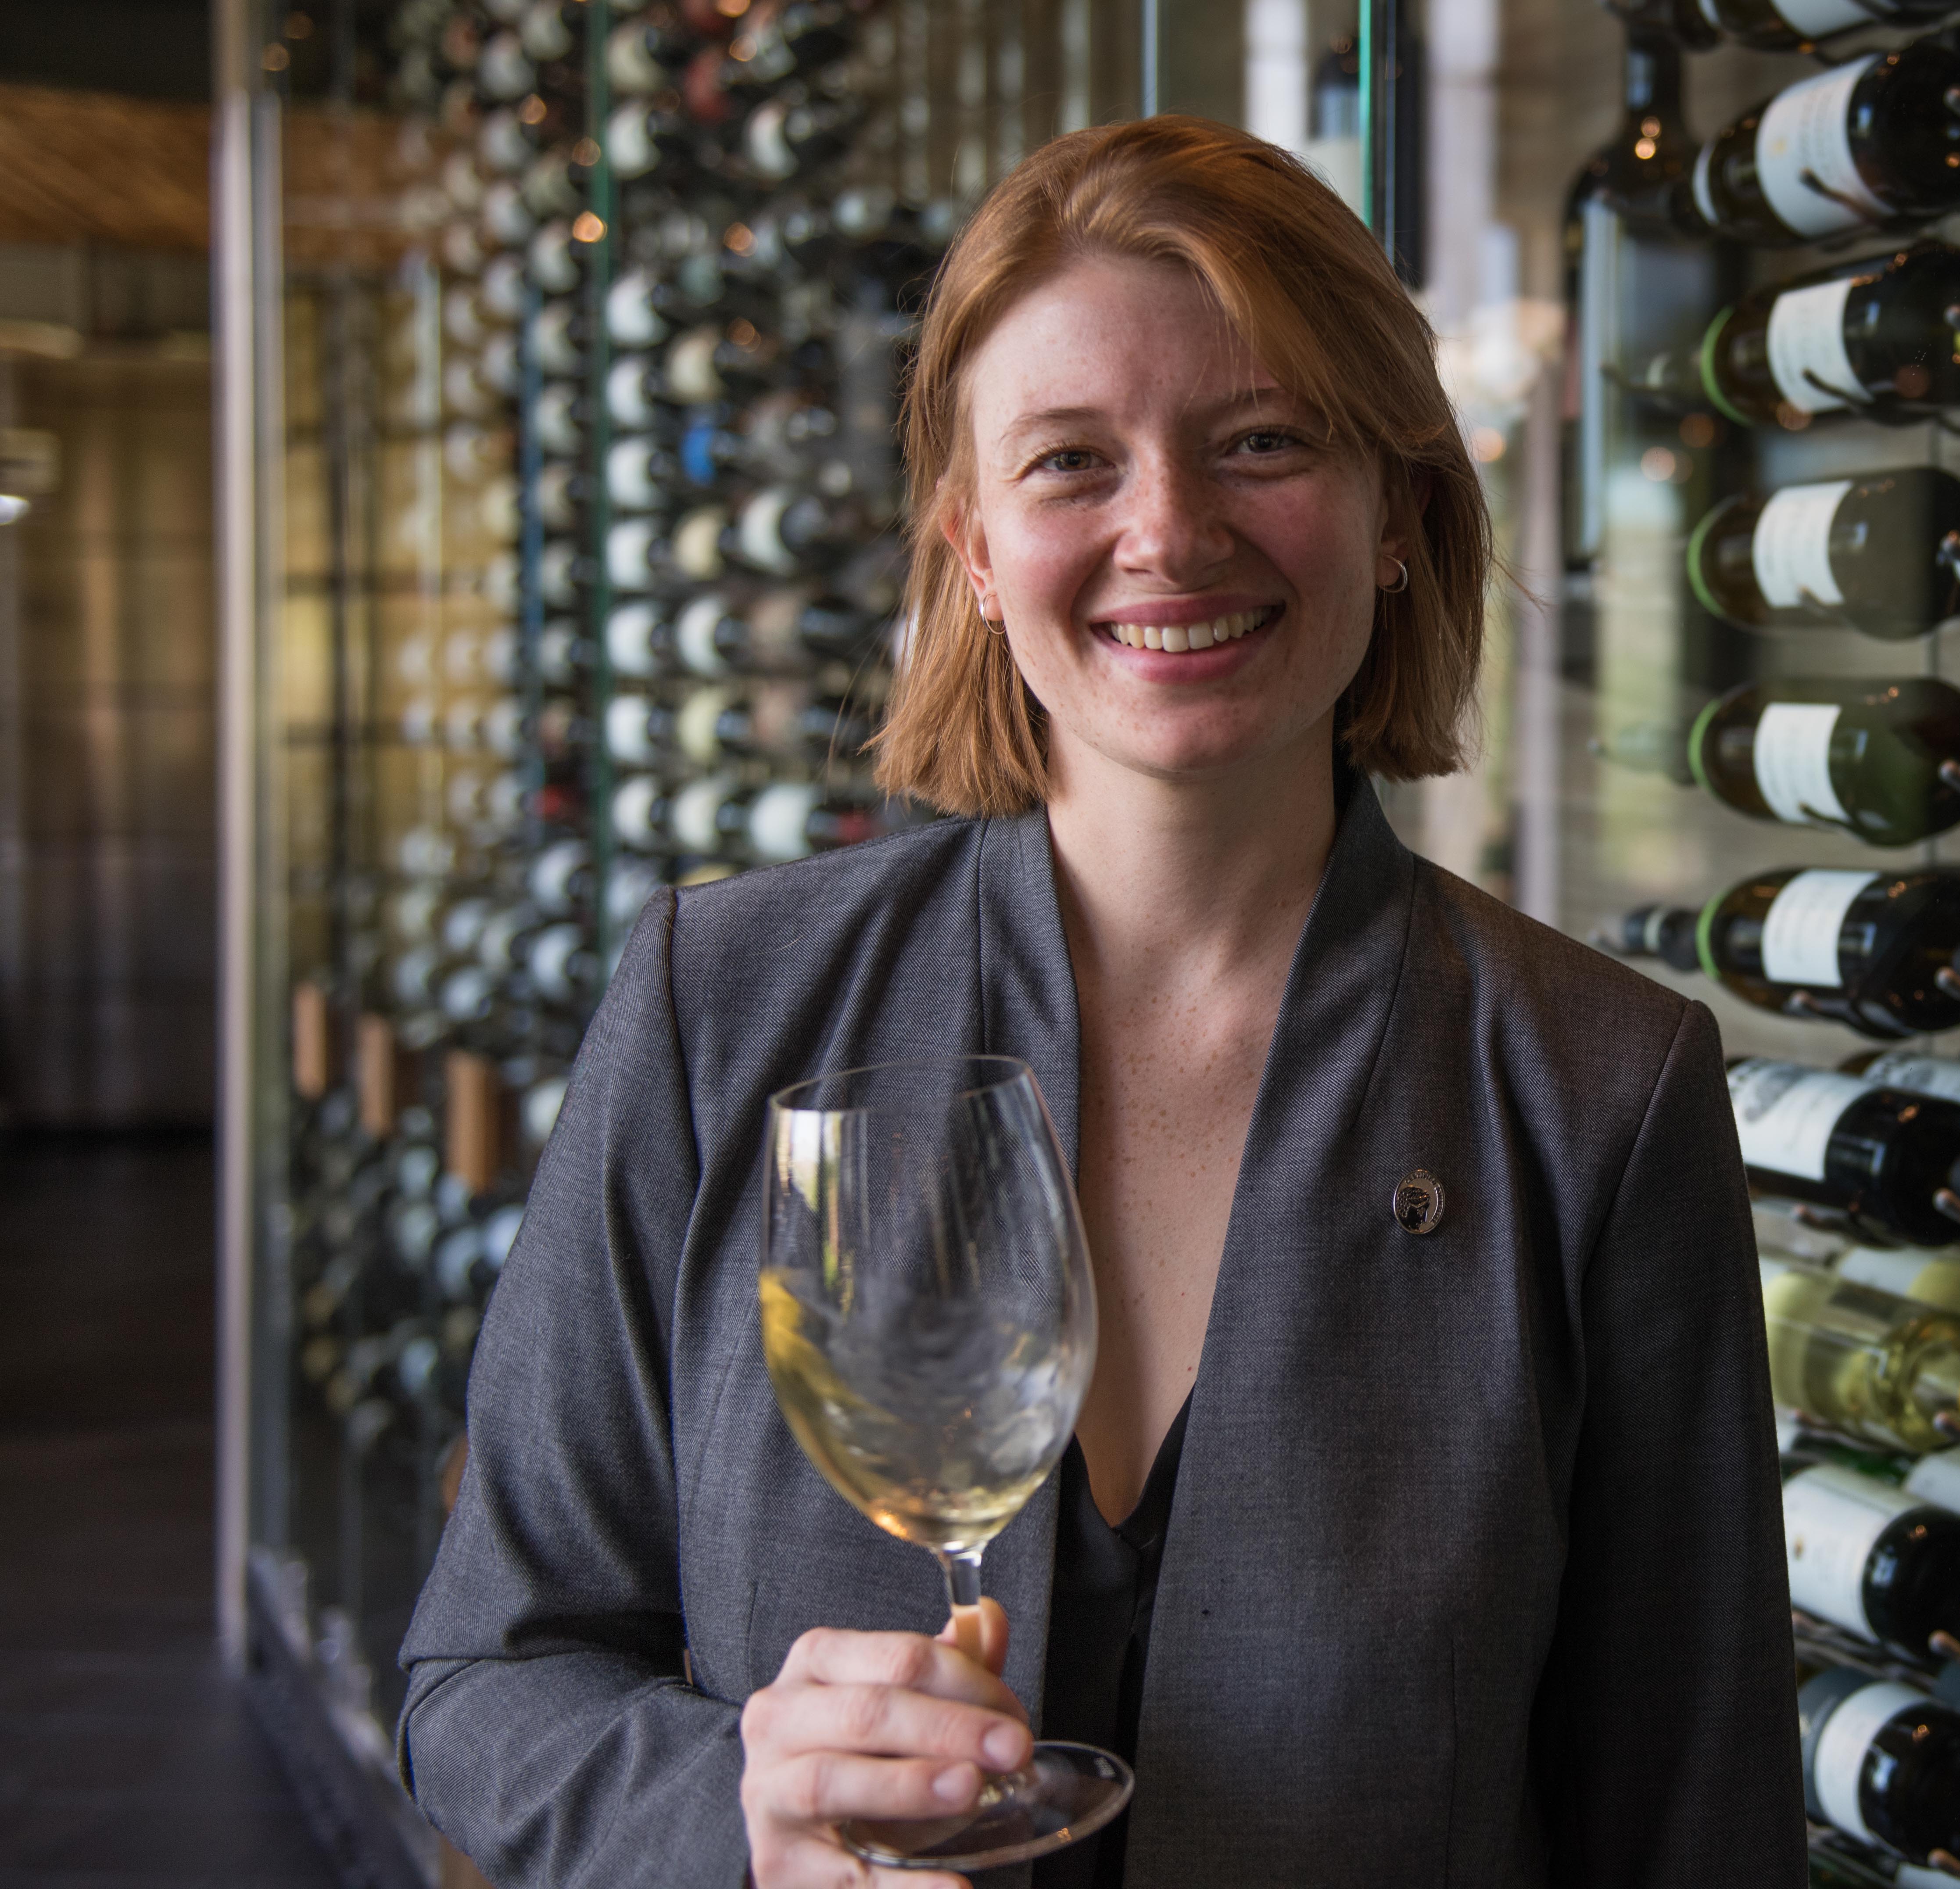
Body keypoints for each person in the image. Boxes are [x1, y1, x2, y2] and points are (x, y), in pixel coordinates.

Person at [397, 115, 1799, 1889]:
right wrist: (731, 1811)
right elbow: (486, 1680)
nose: (1170, 532)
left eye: (1262, 441)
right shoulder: (720, 1004)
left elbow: (1693, 1827)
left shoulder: (1601, 1087)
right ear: (972, 552)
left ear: (1393, 510)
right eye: (1069, 462)